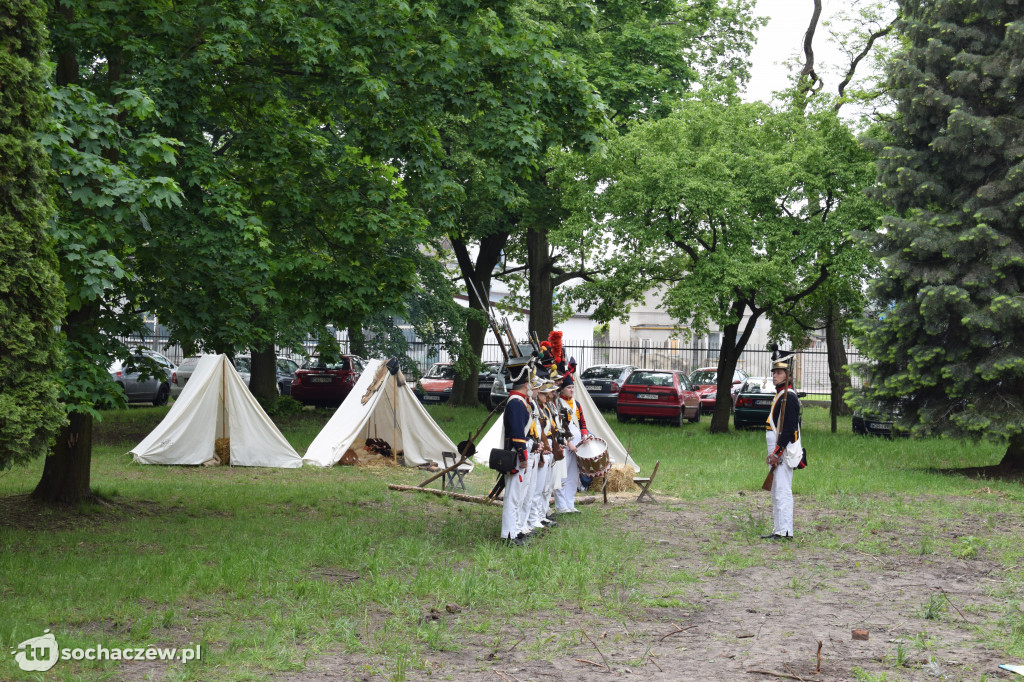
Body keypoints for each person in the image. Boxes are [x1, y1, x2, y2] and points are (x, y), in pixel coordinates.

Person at [763, 358, 803, 541]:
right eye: (774, 372)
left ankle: (786, 531)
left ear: (788, 375)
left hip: (784, 451)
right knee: (776, 490)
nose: (775, 375)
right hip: (778, 450)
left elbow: (788, 430)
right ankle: (779, 529)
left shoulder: (790, 397)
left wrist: (777, 454)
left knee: (783, 490)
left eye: (779, 373)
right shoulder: (781, 395)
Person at [500, 356, 533, 546]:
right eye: (529, 382)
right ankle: (508, 535)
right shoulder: (516, 402)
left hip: (518, 452)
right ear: (525, 383)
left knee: (517, 496)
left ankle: (514, 532)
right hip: (515, 453)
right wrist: (523, 455)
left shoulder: (519, 401)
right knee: (512, 497)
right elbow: (517, 433)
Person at [554, 372, 587, 513]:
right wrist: (569, 444)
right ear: (562, 389)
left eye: (573, 387)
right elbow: (561, 427)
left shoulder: (577, 404)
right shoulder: (557, 404)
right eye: (569, 387)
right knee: (562, 474)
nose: (572, 390)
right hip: (565, 443)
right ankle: (561, 506)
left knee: (574, 474)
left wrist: (585, 435)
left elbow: (582, 423)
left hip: (577, 443)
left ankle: (570, 503)